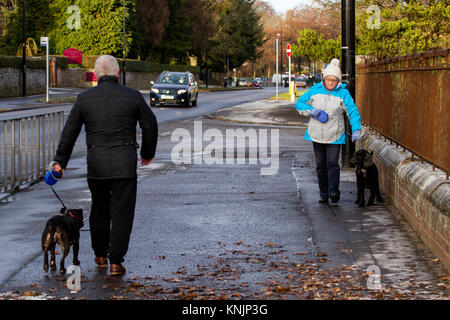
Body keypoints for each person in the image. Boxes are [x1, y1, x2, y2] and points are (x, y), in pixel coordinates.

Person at [52, 55, 158, 276]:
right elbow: (150, 125)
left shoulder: (84, 99)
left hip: (97, 166)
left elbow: (69, 132)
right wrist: (147, 153)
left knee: (99, 209)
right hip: (124, 167)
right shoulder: (133, 96)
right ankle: (116, 261)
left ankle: (100, 254)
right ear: (117, 73)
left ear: (96, 75)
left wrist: (60, 162)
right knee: (122, 213)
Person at [295, 58, 361, 204]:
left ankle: (334, 191)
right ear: (324, 79)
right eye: (328, 79)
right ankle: (323, 192)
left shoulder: (343, 93)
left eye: (334, 80)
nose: (331, 82)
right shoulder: (314, 91)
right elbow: (299, 104)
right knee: (320, 164)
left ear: (338, 80)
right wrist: (312, 111)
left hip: (335, 134)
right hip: (316, 134)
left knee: (332, 163)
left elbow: (352, 111)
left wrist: (356, 129)